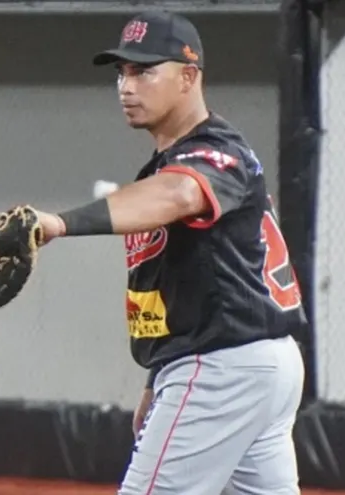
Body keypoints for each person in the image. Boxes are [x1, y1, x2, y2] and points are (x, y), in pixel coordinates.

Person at [33, 11, 306, 495]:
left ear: (188, 76)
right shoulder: (169, 166)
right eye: (121, 72)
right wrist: (157, 376)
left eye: (143, 70)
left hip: (223, 364)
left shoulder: (215, 152)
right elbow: (178, 281)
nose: (126, 85)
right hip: (254, 362)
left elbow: (180, 195)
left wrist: (59, 223)